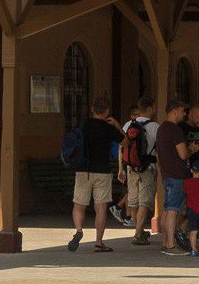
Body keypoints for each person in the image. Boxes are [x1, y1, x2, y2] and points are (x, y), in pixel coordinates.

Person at [68, 97, 124, 253]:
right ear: (106, 111)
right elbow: (125, 143)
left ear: (92, 109)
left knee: (79, 205)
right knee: (101, 208)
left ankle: (79, 230)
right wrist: (118, 127)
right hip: (102, 171)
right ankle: (99, 243)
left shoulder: (83, 125)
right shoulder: (108, 128)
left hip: (83, 170)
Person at [156, 100, 197, 256]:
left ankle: (165, 242)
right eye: (182, 111)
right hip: (178, 175)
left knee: (167, 210)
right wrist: (191, 149)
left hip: (166, 174)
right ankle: (172, 246)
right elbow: (183, 154)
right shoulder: (175, 130)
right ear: (174, 111)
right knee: (173, 210)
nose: (184, 114)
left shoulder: (161, 128)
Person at [118, 96, 159, 246]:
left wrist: (120, 169)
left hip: (130, 168)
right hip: (147, 168)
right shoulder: (155, 127)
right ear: (149, 109)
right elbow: (159, 150)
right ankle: (137, 234)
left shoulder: (129, 124)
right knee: (145, 202)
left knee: (134, 202)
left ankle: (139, 231)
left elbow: (121, 148)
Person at [109, 104, 140, 228]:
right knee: (133, 191)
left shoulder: (134, 126)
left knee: (131, 191)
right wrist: (121, 168)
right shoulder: (128, 126)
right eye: (135, 114)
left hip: (133, 162)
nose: (137, 117)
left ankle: (128, 216)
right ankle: (120, 208)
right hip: (130, 163)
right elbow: (121, 148)